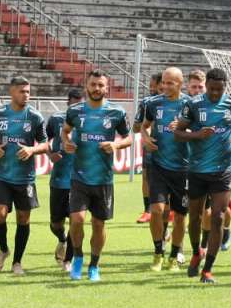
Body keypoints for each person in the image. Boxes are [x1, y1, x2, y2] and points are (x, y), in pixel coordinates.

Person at [174, 68, 231, 284]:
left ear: (225, 86)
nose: (215, 93)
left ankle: (208, 269)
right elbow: (178, 133)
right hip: (197, 169)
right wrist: (197, 134)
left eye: (219, 89)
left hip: (224, 169)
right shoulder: (194, 105)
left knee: (218, 217)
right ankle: (197, 252)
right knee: (195, 218)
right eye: (212, 89)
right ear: (207, 86)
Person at [61, 70, 132, 281]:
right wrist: (66, 142)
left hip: (103, 179)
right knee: (76, 219)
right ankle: (78, 258)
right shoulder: (74, 111)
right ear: (86, 86)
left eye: (100, 85)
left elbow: (129, 138)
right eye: (93, 85)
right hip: (79, 176)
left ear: (106, 88)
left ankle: (94, 265)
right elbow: (65, 131)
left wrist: (115, 144)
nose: (96, 89)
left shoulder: (116, 112)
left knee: (99, 224)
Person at [0, 76, 50, 275]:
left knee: (23, 218)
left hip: (25, 177)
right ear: (12, 92)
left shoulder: (35, 117)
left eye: (28, 91)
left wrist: (31, 150)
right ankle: (4, 250)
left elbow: (46, 144)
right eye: (22, 91)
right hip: (2, 174)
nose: (26, 95)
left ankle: (17, 262)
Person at [141, 67, 190, 271]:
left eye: (170, 82)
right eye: (164, 82)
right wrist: (145, 138)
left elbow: (199, 132)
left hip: (184, 169)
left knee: (180, 216)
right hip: (159, 165)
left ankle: (174, 255)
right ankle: (158, 253)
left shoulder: (191, 104)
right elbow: (144, 126)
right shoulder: (154, 103)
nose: (165, 86)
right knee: (157, 210)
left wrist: (183, 128)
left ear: (180, 83)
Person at [46, 88, 83, 272]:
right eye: (74, 101)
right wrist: (50, 154)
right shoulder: (56, 119)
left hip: (79, 178)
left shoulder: (87, 120)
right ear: (68, 102)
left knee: (75, 220)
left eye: (80, 101)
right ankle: (62, 240)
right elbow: (43, 139)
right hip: (59, 178)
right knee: (56, 223)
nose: (77, 105)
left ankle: (68, 260)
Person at [133, 72, 162, 223]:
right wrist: (144, 126)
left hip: (173, 147)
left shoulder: (179, 100)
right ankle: (147, 210)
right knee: (146, 176)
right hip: (151, 144)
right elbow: (136, 127)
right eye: (150, 85)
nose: (151, 88)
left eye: (153, 85)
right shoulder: (146, 102)